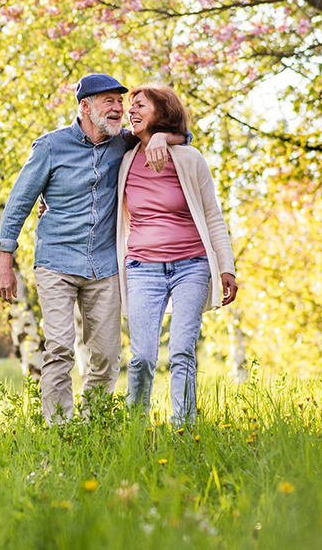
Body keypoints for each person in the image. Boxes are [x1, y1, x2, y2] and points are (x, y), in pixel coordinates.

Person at [0, 73, 188, 424]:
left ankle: (92, 428)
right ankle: (59, 431)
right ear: (85, 107)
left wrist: (160, 136)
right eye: (110, 101)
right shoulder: (50, 146)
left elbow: (184, 136)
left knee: (106, 356)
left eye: (120, 101)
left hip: (105, 266)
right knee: (59, 349)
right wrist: (5, 262)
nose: (119, 109)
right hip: (56, 263)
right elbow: (18, 203)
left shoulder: (122, 143)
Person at [116, 82, 237, 426]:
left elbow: (213, 215)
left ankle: (184, 427)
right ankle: (136, 428)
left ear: (162, 111)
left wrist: (225, 266)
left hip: (192, 266)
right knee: (141, 356)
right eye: (130, 106)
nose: (131, 111)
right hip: (142, 268)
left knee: (182, 350)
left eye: (140, 105)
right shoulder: (123, 159)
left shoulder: (190, 158)